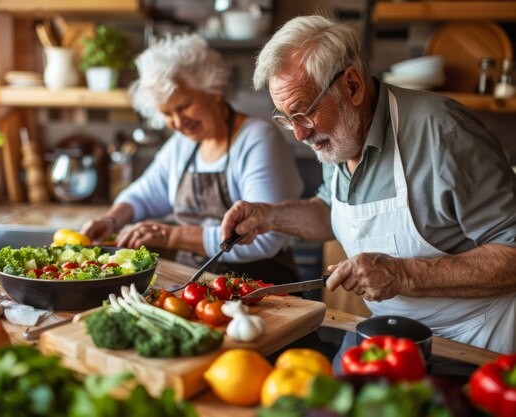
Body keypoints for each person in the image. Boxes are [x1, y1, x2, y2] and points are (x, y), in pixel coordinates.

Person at [220, 15, 516, 354]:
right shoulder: (339, 138)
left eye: (303, 113)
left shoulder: (442, 133)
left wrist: (403, 275)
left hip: (477, 340)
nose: (299, 134)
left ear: (352, 86)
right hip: (393, 341)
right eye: (287, 120)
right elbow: (331, 211)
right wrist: (269, 216)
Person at [81, 33, 304, 284]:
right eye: (167, 113)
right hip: (198, 286)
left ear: (214, 90)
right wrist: (111, 220)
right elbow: (144, 194)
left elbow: (264, 238)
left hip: (260, 289)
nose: (177, 121)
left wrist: (169, 237)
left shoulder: (257, 139)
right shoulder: (182, 145)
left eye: (184, 105)